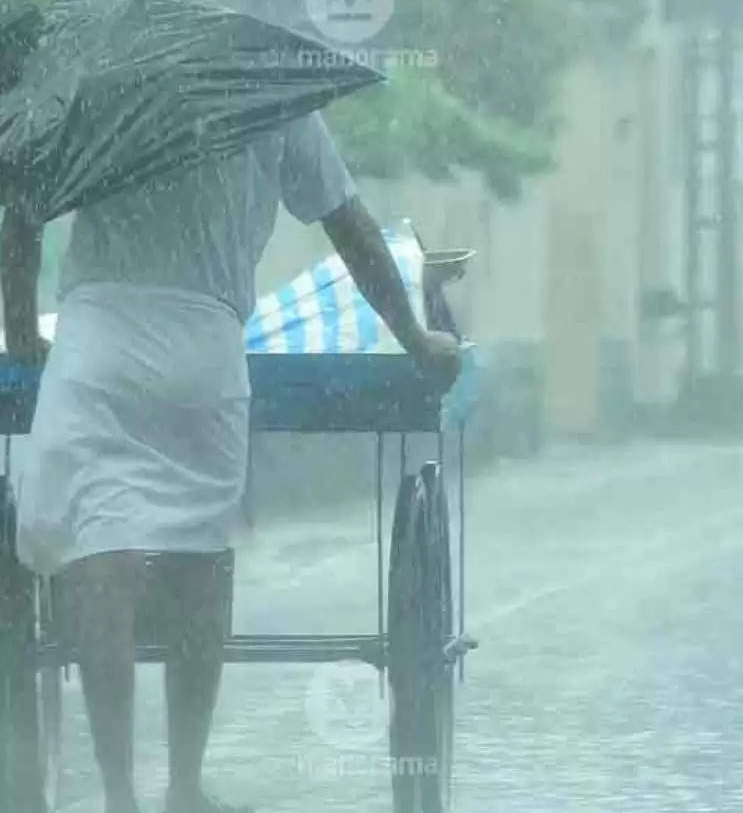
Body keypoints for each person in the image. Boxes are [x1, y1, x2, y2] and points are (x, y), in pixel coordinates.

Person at [0, 111, 460, 813]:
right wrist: (417, 338)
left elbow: (23, 205)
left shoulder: (102, 81)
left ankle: (119, 794)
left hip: (96, 349)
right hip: (204, 352)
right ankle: (184, 785)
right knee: (199, 556)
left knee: (99, 554)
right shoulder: (271, 92)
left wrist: (19, 327)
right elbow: (353, 231)